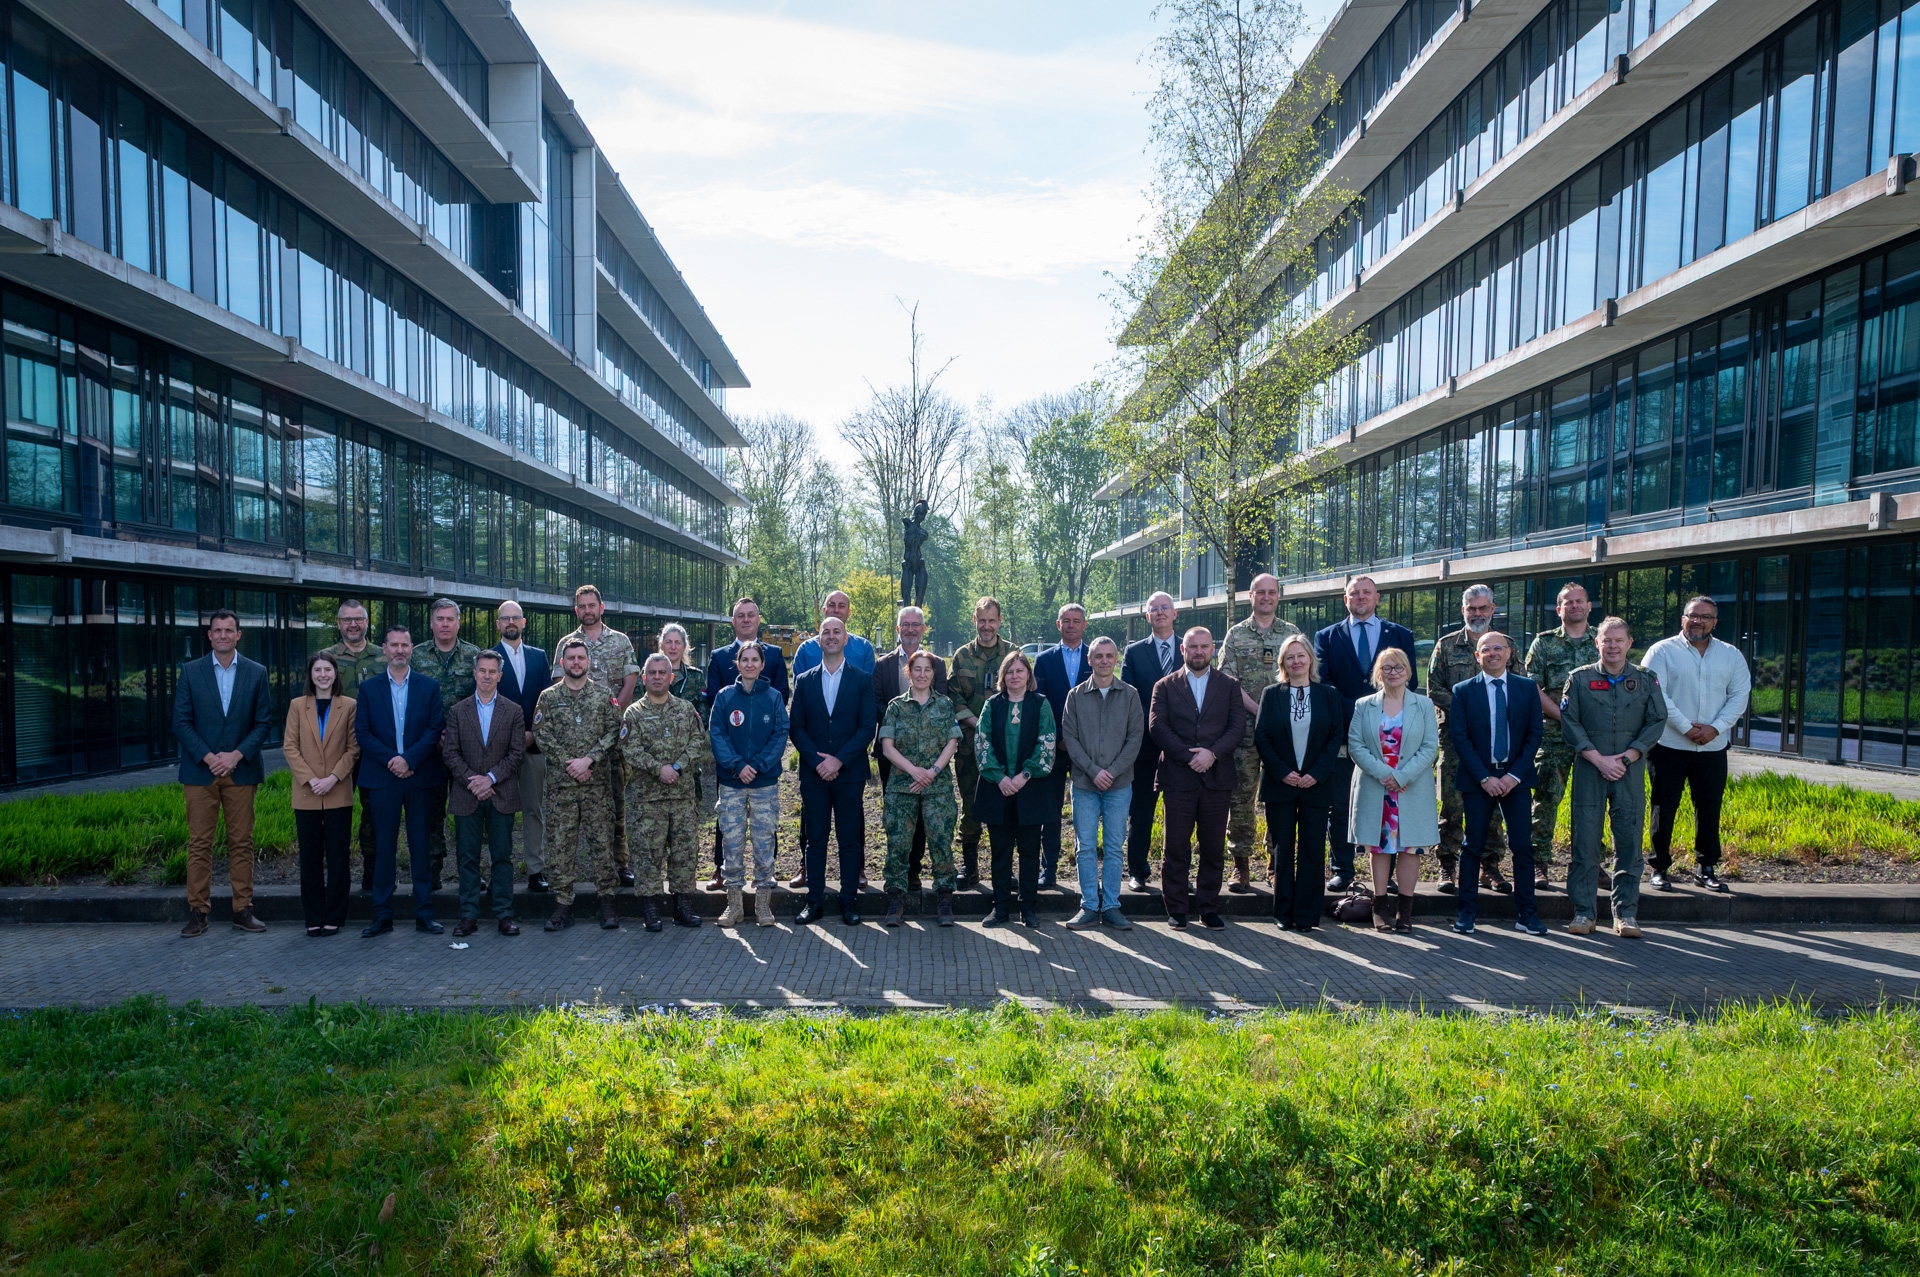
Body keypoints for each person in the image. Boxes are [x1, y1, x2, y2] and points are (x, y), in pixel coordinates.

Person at [1559, 617, 1669, 938]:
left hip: (1629, 771)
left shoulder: (1646, 680)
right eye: (1607, 640)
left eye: (1619, 640)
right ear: (1597, 643)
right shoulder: (1579, 680)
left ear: (1629, 643)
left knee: (1630, 842)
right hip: (1590, 770)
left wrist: (1629, 756)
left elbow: (1657, 720)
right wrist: (1597, 758)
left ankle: (1626, 914)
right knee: (1585, 842)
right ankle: (1583, 913)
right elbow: (1570, 722)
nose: (1612, 646)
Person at [173, 608, 275, 938]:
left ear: (238, 635)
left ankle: (242, 911)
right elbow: (181, 722)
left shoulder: (257, 672)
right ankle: (198, 913)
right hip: (200, 772)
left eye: (229, 630)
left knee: (241, 843)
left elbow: (263, 723)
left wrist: (234, 755)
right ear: (209, 635)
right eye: (217, 630)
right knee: (200, 844)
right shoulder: (190, 671)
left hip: (240, 770)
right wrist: (208, 757)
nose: (222, 635)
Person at [1314, 576, 1418, 891]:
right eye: (1354, 593)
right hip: (1342, 733)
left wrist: (1377, 710)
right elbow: (1324, 681)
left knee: (1390, 802)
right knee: (1342, 803)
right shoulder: (1327, 637)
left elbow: (1408, 681)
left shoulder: (1400, 635)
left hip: (1390, 735)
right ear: (1345, 599)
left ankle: (1386, 877)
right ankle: (1343, 869)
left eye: (1366, 593)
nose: (1360, 597)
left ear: (1377, 598)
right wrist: (1360, 710)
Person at [1641, 596, 1751, 894]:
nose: (1698, 621)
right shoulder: (1661, 651)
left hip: (1712, 748)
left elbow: (1740, 695)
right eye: (1692, 615)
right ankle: (1659, 867)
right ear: (1683, 619)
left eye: (1705, 616)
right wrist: (1687, 727)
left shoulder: (1731, 655)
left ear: (1715, 622)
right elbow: (1656, 694)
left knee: (1709, 808)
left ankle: (1706, 867)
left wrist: (1715, 728)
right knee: (1664, 807)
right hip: (1669, 745)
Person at [1446, 631, 1548, 937]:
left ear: (1508, 653)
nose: (1492, 653)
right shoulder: (1463, 690)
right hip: (1479, 779)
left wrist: (1513, 776)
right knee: (1472, 845)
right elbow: (1460, 738)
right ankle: (1466, 914)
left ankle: (1527, 914)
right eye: (1485, 649)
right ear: (1477, 657)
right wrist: (1485, 777)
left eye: (1497, 648)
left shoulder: (1527, 688)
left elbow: (1534, 735)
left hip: (1515, 778)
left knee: (1522, 847)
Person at [1150, 626, 1248, 931]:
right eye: (1193, 647)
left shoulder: (1229, 685)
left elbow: (1237, 728)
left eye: (1204, 646)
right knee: (1175, 847)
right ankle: (1177, 909)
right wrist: (1189, 755)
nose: (1199, 652)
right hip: (1178, 777)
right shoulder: (1164, 686)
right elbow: (1157, 726)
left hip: (1217, 778)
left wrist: (1212, 754)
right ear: (1183, 649)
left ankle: (1208, 908)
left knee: (1213, 847)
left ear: (1213, 648)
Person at [355, 624, 447, 937]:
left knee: (421, 847)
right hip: (383, 777)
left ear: (411, 649)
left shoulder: (428, 686)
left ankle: (424, 913)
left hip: (419, 775)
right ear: (384, 649)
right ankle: (382, 915)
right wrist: (393, 760)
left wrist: (409, 759)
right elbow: (363, 734)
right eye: (393, 645)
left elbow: (435, 728)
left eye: (404, 645)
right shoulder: (369, 689)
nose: (399, 650)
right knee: (384, 848)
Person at [790, 617, 878, 926]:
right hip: (814, 775)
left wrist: (838, 761)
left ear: (845, 639)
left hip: (849, 773)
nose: (830, 636)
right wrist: (818, 762)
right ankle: (813, 902)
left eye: (836, 632)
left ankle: (848, 901)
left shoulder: (862, 679)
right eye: (825, 632)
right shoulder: (803, 680)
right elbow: (796, 727)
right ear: (818, 640)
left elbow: (868, 726)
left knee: (849, 840)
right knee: (815, 840)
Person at [533, 638, 625, 932]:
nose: (575, 662)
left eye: (580, 658)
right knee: (561, 848)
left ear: (589, 662)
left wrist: (590, 760)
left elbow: (614, 731)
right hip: (562, 788)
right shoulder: (547, 697)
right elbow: (541, 734)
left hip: (596, 786)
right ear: (562, 663)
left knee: (602, 845)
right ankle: (563, 905)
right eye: (570, 658)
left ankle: (608, 902)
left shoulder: (603, 696)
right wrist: (570, 763)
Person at [1218, 573, 1302, 893]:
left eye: (1272, 592)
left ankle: (1275, 863)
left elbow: (1302, 675)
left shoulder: (1292, 634)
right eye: (1260, 592)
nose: (1266, 597)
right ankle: (1240, 865)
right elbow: (1229, 682)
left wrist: (1278, 717)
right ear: (1250, 596)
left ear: (1278, 596)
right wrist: (1262, 712)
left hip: (1285, 733)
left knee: (1281, 798)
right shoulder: (1236, 635)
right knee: (1241, 798)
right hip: (1245, 730)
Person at [552, 585, 640, 891]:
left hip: (610, 740)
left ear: (601, 607)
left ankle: (620, 864)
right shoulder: (567, 644)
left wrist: (613, 719)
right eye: (582, 606)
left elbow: (630, 682)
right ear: (576, 610)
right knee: (568, 814)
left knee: (615, 802)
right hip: (575, 744)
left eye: (592, 605)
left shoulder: (620, 641)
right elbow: (557, 686)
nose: (588, 610)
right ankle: (568, 873)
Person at [1254, 634, 1344, 931]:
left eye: (1301, 655)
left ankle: (1307, 915)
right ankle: (1283, 913)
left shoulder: (1328, 695)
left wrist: (1315, 773)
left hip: (1315, 785)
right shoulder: (1272, 694)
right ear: (1283, 662)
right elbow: (1262, 737)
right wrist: (1282, 772)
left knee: (1312, 850)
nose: (1296, 661)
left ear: (1310, 660)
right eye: (1290, 657)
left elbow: (1334, 737)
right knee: (1282, 850)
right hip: (1281, 784)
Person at [624, 652, 718, 931]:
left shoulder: (686, 709)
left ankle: (682, 906)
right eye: (651, 673)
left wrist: (676, 766)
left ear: (671, 677)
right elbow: (630, 749)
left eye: (661, 673)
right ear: (643, 678)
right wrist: (658, 769)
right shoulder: (634, 713)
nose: (656, 677)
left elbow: (699, 742)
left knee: (684, 852)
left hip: (682, 796)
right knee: (647, 854)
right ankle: (650, 908)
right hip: (647, 800)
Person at [1428, 585, 1510, 895]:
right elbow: (1434, 689)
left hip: (1495, 744)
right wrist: (1470, 710)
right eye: (1471, 609)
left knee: (1493, 808)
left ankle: (1490, 867)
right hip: (1454, 741)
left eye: (1482, 608)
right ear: (1463, 611)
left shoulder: (1506, 645)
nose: (1477, 613)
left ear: (1492, 609)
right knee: (1452, 806)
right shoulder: (1446, 646)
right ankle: (1447, 865)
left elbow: (1518, 687)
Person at [706, 597, 791, 887]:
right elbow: (717, 712)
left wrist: (760, 761)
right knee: (727, 821)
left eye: (750, 615)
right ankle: (723, 869)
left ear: (758, 619)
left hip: (763, 764)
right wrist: (735, 761)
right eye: (739, 616)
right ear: (733, 621)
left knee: (765, 824)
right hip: (731, 761)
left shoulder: (776, 656)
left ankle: (766, 874)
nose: (745, 620)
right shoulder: (718, 657)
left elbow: (780, 702)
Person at [440, 650, 526, 937]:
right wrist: (472, 782)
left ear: (500, 676)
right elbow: (450, 753)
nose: (487, 676)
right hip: (467, 795)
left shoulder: (513, 711)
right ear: (474, 673)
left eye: (492, 672)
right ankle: (468, 915)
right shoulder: (457, 711)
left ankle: (504, 915)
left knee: (502, 856)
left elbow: (516, 754)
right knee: (467, 857)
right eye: (482, 671)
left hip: (501, 793)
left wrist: (489, 779)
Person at [1061, 636, 1144, 930]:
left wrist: (1112, 771)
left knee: (1113, 846)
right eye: (1099, 656)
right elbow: (1070, 739)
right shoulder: (1075, 696)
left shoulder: (1130, 695)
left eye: (1110, 655)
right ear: (1090, 660)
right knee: (1084, 847)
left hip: (1119, 785)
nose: (1105, 661)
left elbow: (1135, 738)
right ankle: (1088, 906)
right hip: (1085, 783)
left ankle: (1110, 906)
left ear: (1117, 659)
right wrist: (1094, 770)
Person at [972, 649, 1058, 927]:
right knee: (1000, 850)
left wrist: (1024, 775)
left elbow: (1047, 741)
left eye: (1020, 671)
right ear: (1002, 676)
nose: (1015, 676)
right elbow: (982, 742)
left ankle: (1028, 907)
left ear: (1028, 675)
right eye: (1009, 671)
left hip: (1030, 788)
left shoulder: (1041, 704)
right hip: (997, 788)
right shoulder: (992, 705)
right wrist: (999, 777)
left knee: (1030, 851)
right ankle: (1000, 908)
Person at [878, 649, 962, 927]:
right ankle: (895, 899)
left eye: (927, 669)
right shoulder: (896, 707)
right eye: (917, 669)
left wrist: (934, 771)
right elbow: (887, 747)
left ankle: (944, 899)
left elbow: (952, 742)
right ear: (909, 673)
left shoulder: (945, 705)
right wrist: (913, 770)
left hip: (937, 789)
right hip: (903, 786)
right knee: (898, 845)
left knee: (941, 843)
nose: (923, 674)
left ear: (933, 673)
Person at [1522, 582, 1598, 891]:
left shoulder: (1602, 641)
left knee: (1593, 802)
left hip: (1596, 738)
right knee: (1546, 800)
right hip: (1554, 734)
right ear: (1559, 609)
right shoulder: (1543, 644)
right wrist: (1565, 718)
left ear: (1589, 606)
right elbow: (1532, 687)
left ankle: (1592, 863)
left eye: (1580, 601)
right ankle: (1539, 862)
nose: (1575, 606)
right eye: (1569, 602)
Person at [710, 640, 787, 931]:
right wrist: (737, 766)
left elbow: (781, 733)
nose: (750, 664)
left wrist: (758, 765)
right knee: (731, 840)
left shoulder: (774, 697)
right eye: (745, 660)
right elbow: (716, 732)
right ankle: (734, 905)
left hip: (764, 782)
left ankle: (763, 905)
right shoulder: (725, 696)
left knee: (764, 841)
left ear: (762, 664)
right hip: (731, 782)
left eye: (756, 659)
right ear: (738, 664)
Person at [284, 650, 360, 936]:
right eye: (317, 670)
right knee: (310, 857)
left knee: (339, 856)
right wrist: (311, 779)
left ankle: (335, 916)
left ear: (335, 673)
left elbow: (353, 748)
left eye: (328, 669)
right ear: (311, 675)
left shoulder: (349, 705)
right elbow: (290, 747)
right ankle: (313, 916)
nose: (323, 675)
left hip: (337, 790)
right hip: (307, 793)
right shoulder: (297, 705)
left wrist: (332, 778)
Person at [872, 606, 948, 890]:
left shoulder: (936, 663)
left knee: (923, 815)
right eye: (906, 624)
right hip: (891, 752)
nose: (911, 629)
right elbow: (877, 702)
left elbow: (942, 699)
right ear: (898, 629)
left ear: (923, 629)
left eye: (916, 624)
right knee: (897, 813)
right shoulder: (882, 664)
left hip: (927, 755)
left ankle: (914, 871)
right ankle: (897, 870)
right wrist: (900, 724)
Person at [410, 598, 482, 893]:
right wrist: (434, 735)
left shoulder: (474, 655)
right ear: (431, 623)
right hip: (429, 750)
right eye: (439, 619)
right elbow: (412, 702)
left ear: (458, 622)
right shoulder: (416, 656)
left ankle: (471, 874)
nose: (444, 624)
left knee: (468, 815)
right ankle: (432, 873)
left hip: (466, 751)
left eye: (450, 619)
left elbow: (481, 701)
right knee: (430, 814)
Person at [318, 598, 387, 890]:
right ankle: (338, 876)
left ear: (367, 622)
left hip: (374, 748)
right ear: (338, 624)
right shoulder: (326, 658)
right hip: (338, 749)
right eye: (347, 620)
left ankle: (373, 872)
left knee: (375, 812)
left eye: (358, 619)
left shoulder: (383, 657)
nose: (353, 625)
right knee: (337, 813)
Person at [948, 596, 1009, 890]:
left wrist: (994, 729)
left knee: (1004, 806)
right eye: (982, 620)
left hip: (1004, 747)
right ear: (975, 621)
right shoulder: (961, 656)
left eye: (992, 620)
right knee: (970, 806)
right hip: (969, 746)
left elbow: (1021, 691)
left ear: (999, 622)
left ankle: (1003, 868)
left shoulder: (1012, 654)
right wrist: (977, 724)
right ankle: (969, 867)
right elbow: (953, 697)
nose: (987, 626)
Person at [492, 600, 553, 892]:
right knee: (498, 812)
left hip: (532, 745)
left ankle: (535, 870)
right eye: (505, 618)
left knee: (533, 810)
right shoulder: (488, 659)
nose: (511, 622)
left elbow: (546, 701)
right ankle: (498, 872)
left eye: (516, 617)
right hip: (498, 751)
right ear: (498, 624)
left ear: (524, 622)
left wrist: (533, 732)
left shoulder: (539, 657)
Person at [1121, 591, 1180, 891]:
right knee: (1141, 812)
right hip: (1145, 748)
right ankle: (1137, 871)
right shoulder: (1134, 653)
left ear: (1175, 613)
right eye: (1153, 609)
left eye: (1164, 608)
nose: (1159, 613)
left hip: (1184, 749)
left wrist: (1177, 734)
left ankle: (1177, 874)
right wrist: (1158, 728)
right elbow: (1130, 698)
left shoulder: (1190, 647)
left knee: (1182, 816)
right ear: (1147, 617)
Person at [1031, 603, 1093, 889]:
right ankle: (1049, 868)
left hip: (1087, 747)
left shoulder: (1096, 657)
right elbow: (1040, 704)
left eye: (1076, 621)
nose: (1071, 625)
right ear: (1058, 625)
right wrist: (1057, 738)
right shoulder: (1044, 660)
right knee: (1050, 809)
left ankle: (1088, 872)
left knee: (1087, 809)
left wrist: (1078, 740)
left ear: (1084, 624)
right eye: (1065, 621)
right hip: (1053, 747)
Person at [658, 623, 717, 902]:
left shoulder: (695, 678)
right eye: (667, 642)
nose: (672, 646)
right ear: (661, 645)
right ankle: (655, 894)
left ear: (685, 647)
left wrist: (682, 755)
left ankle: (683, 893)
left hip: (686, 767)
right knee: (655, 836)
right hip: (655, 767)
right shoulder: (652, 673)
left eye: (677, 642)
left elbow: (702, 719)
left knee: (684, 834)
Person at [791, 589, 878, 676]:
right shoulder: (805, 650)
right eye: (832, 605)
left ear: (848, 612)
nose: (836, 610)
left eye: (841, 606)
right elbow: (799, 687)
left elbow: (869, 687)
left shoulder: (864, 648)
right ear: (824, 610)